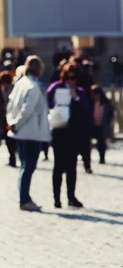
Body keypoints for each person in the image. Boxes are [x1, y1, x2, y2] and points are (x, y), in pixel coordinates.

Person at [6, 56, 51, 212]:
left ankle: (25, 197)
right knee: (28, 167)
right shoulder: (33, 86)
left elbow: (11, 104)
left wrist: (12, 122)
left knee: (25, 166)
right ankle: (24, 198)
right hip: (30, 131)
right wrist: (16, 124)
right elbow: (27, 110)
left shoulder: (21, 83)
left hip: (20, 130)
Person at [46, 63, 90, 208]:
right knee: (58, 165)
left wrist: (76, 98)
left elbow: (85, 110)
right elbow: (47, 103)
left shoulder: (80, 92)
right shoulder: (55, 88)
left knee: (72, 166)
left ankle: (71, 197)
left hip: (74, 133)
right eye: (69, 78)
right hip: (59, 131)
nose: (71, 81)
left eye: (74, 78)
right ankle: (56, 198)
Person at [90, 84, 115, 164]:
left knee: (101, 143)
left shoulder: (106, 103)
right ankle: (87, 159)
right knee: (87, 143)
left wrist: (107, 121)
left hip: (102, 125)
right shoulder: (90, 103)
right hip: (92, 125)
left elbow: (110, 114)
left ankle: (102, 158)